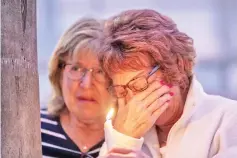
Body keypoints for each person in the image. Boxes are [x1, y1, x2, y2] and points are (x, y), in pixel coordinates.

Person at [98, 9, 237, 158]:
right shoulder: (122, 130)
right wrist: (123, 139)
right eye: (122, 91)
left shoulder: (227, 120)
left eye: (139, 84)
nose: (134, 102)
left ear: (176, 66)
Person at [41, 18, 114, 158]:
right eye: (76, 68)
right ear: (59, 73)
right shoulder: (31, 127)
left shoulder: (131, 140)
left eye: (100, 72)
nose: (86, 84)